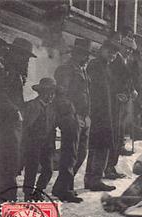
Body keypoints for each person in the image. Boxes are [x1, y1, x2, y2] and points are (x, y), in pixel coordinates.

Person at [52, 38, 92, 202]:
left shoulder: (83, 70)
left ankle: (62, 186)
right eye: (84, 54)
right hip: (72, 116)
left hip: (83, 116)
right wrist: (71, 114)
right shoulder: (65, 70)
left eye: (87, 55)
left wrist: (87, 115)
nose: (87, 58)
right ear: (76, 53)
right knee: (70, 154)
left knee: (81, 153)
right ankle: (65, 189)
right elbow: (61, 94)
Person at [0, 37, 36, 203]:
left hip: (13, 121)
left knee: (12, 161)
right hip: (5, 121)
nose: (26, 60)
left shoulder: (16, 72)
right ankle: (4, 199)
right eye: (25, 56)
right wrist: (15, 110)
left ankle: (6, 198)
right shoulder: (5, 70)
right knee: (7, 161)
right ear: (15, 53)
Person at [84, 40, 119, 192]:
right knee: (101, 145)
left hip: (105, 111)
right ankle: (94, 179)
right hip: (98, 112)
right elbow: (92, 91)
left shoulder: (106, 67)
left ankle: (91, 179)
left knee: (98, 145)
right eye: (110, 52)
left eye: (115, 54)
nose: (112, 56)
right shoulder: (95, 66)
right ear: (102, 50)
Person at [104, 34, 137, 180]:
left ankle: (112, 165)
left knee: (120, 132)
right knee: (114, 134)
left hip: (124, 100)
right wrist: (118, 93)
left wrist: (131, 90)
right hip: (114, 102)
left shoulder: (126, 60)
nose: (129, 51)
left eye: (131, 49)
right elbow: (111, 81)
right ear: (120, 46)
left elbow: (128, 79)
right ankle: (108, 166)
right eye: (126, 47)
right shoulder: (114, 61)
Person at [22, 78, 57, 201]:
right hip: (33, 144)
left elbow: (52, 126)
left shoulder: (52, 108)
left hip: (47, 144)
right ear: (41, 93)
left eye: (53, 93)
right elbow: (26, 126)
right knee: (31, 169)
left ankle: (39, 191)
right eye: (48, 93)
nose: (51, 96)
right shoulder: (33, 106)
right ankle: (28, 194)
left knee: (48, 169)